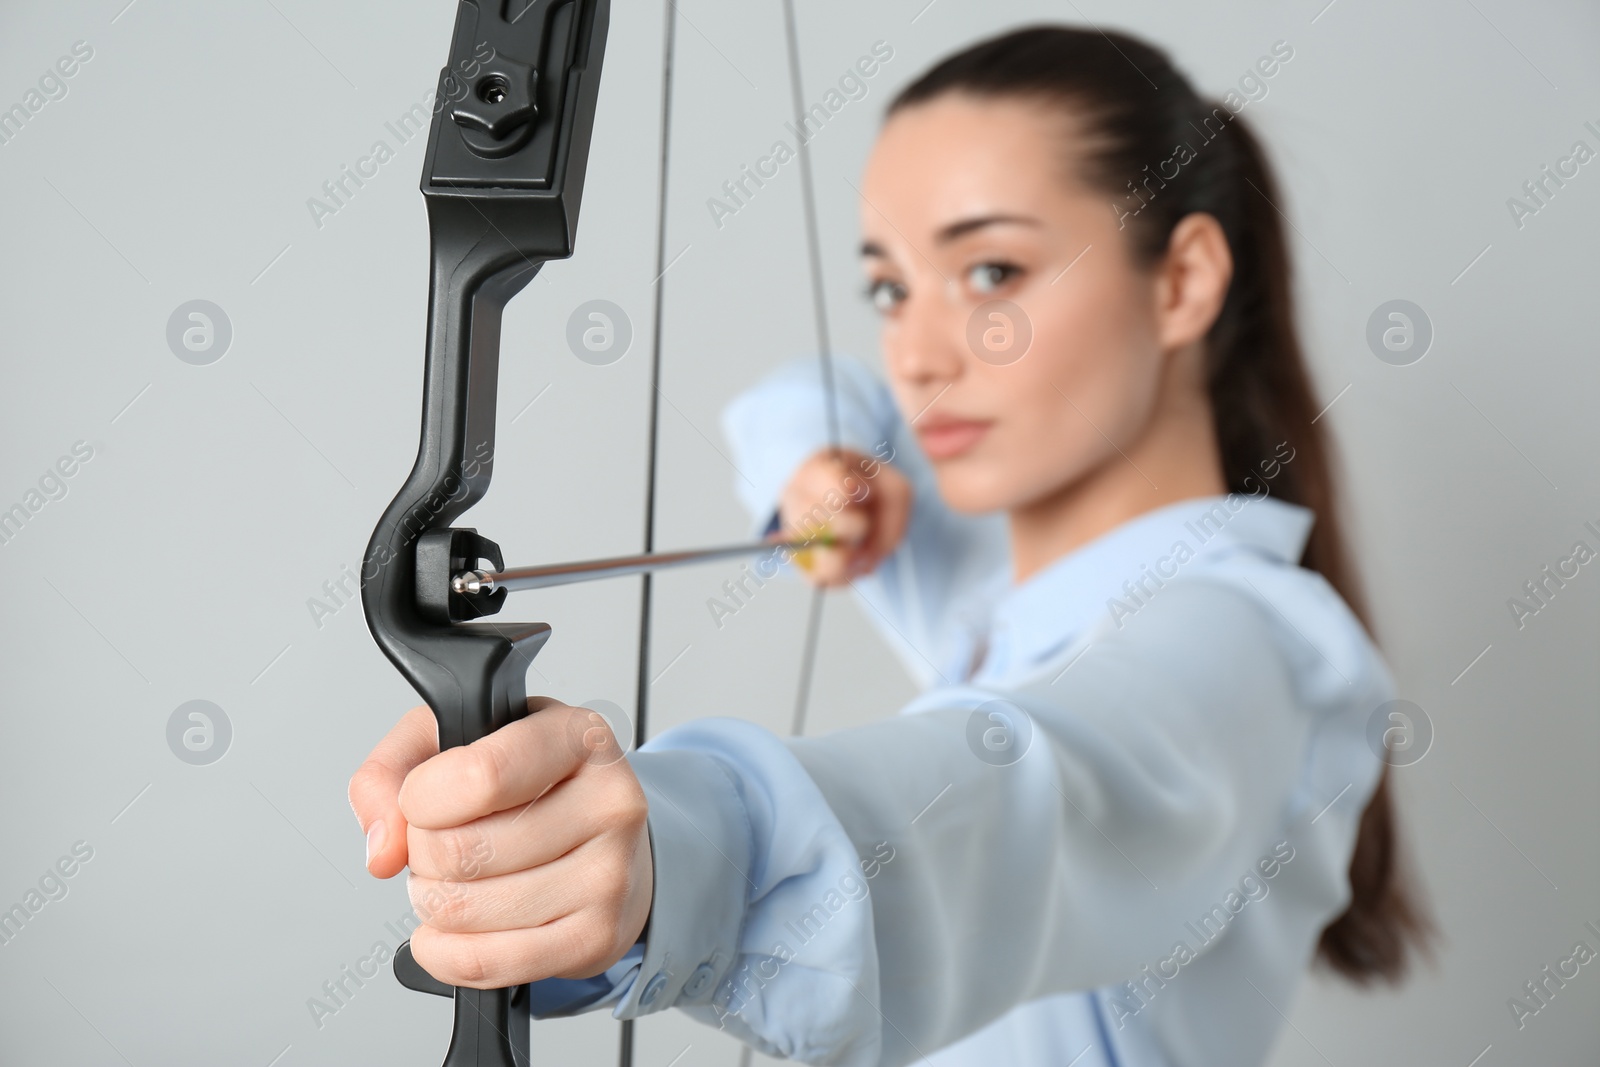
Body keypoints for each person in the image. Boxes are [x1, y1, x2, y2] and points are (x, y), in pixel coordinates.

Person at [347, 24, 1433, 1066]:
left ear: (1184, 279)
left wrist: (667, 860)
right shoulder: (986, 572)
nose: (915, 354)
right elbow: (811, 396)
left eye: (992, 273)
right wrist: (815, 463)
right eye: (886, 287)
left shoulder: (1243, 646)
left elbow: (1018, 801)